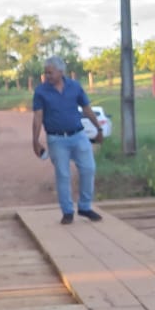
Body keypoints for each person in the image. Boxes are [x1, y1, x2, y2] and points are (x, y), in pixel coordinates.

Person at [31, 56, 104, 224]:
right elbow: (37, 117)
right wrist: (35, 141)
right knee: (63, 175)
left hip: (78, 135)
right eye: (45, 73)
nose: (47, 76)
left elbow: (86, 109)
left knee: (88, 169)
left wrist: (98, 129)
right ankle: (67, 211)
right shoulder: (41, 91)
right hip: (56, 139)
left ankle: (85, 207)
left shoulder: (75, 87)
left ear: (60, 72)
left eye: (50, 73)